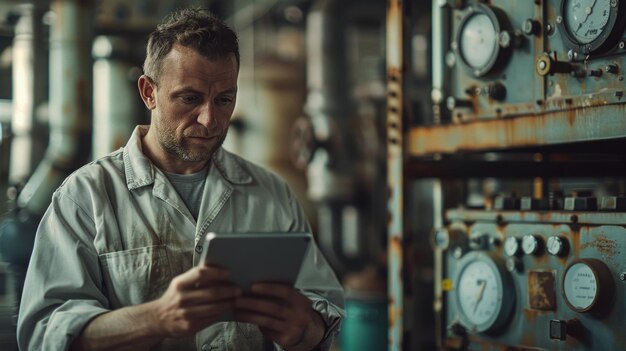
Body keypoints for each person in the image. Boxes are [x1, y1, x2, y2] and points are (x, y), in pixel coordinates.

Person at [17, 8, 344, 351]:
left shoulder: (271, 193)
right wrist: (155, 319)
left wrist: (304, 328)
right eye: (190, 98)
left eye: (224, 100)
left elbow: (324, 316)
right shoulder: (85, 197)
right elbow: (44, 333)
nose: (209, 119)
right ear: (149, 93)